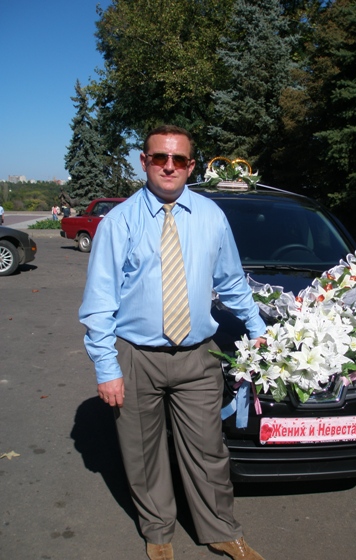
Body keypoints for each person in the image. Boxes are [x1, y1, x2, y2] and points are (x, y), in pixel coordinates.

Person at [79, 125, 267, 560]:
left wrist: (256, 325)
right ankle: (158, 532)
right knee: (142, 454)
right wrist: (107, 368)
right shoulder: (119, 222)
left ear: (191, 166)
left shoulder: (210, 217)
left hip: (197, 356)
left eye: (178, 159)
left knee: (208, 449)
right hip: (136, 357)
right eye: (160, 157)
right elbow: (99, 302)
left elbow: (231, 280)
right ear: (144, 162)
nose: (169, 166)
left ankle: (221, 530)